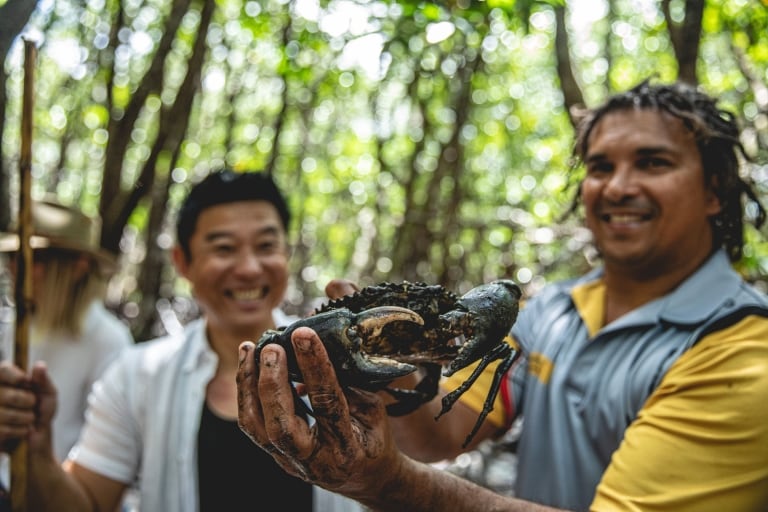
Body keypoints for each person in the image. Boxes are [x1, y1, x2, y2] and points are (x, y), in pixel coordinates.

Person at [237, 80, 768, 512]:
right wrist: (400, 368)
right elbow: (443, 435)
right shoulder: (556, 312)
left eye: (653, 162)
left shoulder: (744, 352)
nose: (618, 186)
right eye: (601, 166)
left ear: (715, 190)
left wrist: (388, 484)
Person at [0, 170, 357, 511]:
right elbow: (86, 504)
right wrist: (35, 449)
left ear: (286, 254)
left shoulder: (341, 359)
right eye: (224, 248)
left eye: (266, 245)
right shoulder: (137, 377)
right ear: (182, 261)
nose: (249, 267)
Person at [0, 199, 133, 462]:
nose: (15, 268)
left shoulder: (107, 340)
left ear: (77, 267)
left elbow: (106, 453)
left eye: (33, 258)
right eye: (12, 257)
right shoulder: (19, 324)